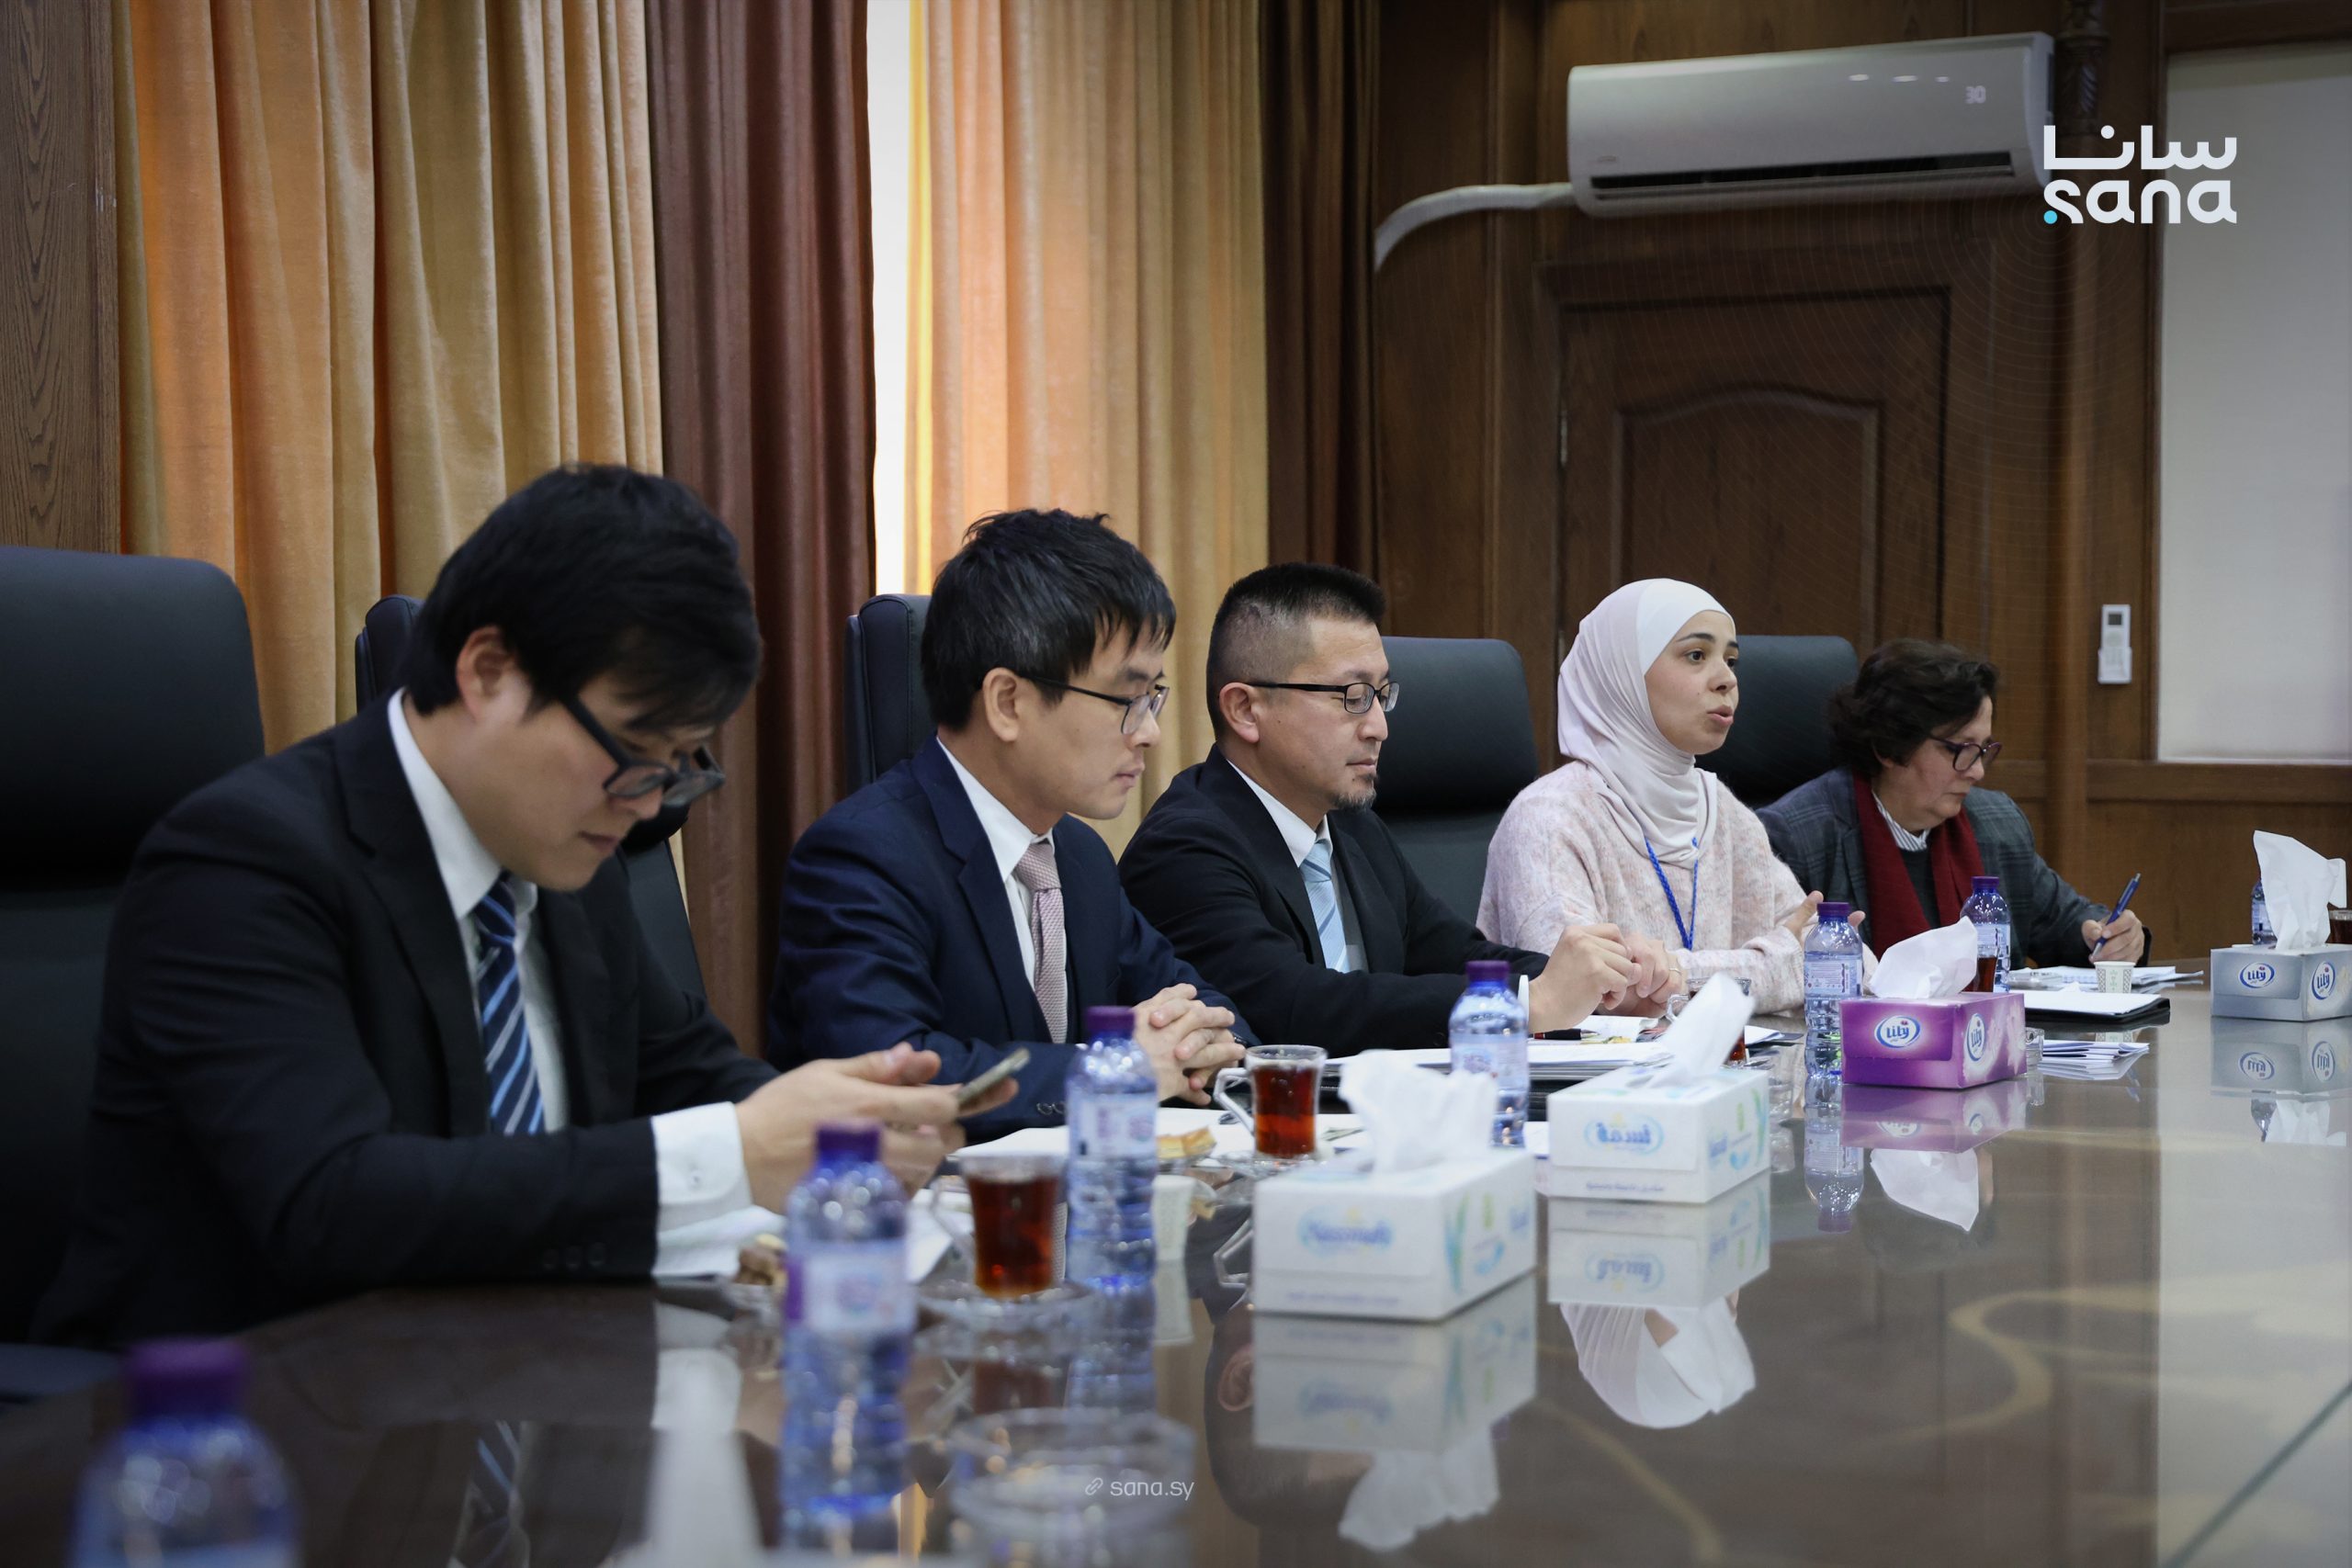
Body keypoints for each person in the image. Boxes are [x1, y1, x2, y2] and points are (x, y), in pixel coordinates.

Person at [37, 466, 1010, 1348]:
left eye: (678, 767)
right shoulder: (246, 861)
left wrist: (838, 1125)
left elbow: (683, 1072)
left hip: (518, 1373)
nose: (647, 806)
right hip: (245, 1416)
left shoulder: (562, 852)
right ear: (488, 671)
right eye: (633, 752)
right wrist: (736, 1151)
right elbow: (333, 1206)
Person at [768, 510, 1251, 1132]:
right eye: (1126, 700)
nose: (1149, 733)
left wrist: (1197, 1046)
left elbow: (1205, 1010)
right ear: (1007, 702)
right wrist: (1113, 1070)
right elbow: (888, 1077)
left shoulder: (1078, 856)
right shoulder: (861, 857)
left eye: (1151, 697)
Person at [1120, 564, 1657, 1053]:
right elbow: (1295, 1008)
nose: (1379, 726)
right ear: (1245, 709)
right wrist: (1522, 1004)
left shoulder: (1355, 829)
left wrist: (1604, 982)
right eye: (1352, 697)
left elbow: (1459, 955)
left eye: (1381, 695)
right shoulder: (1184, 848)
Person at [1479, 580, 1827, 1013]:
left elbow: (1835, 961)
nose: (1727, 680)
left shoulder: (1723, 811)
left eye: (1731, 660)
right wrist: (1775, 966)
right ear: (1622, 672)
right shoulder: (1548, 818)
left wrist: (1677, 972)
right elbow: (1587, 993)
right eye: (1696, 655)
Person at [1758, 639, 2147, 964]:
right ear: (1890, 746)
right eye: (1961, 749)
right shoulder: (1797, 838)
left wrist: (2111, 937)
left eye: (1984, 750)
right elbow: (1769, 971)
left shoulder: (1996, 823)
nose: (1976, 772)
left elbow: (2068, 923)